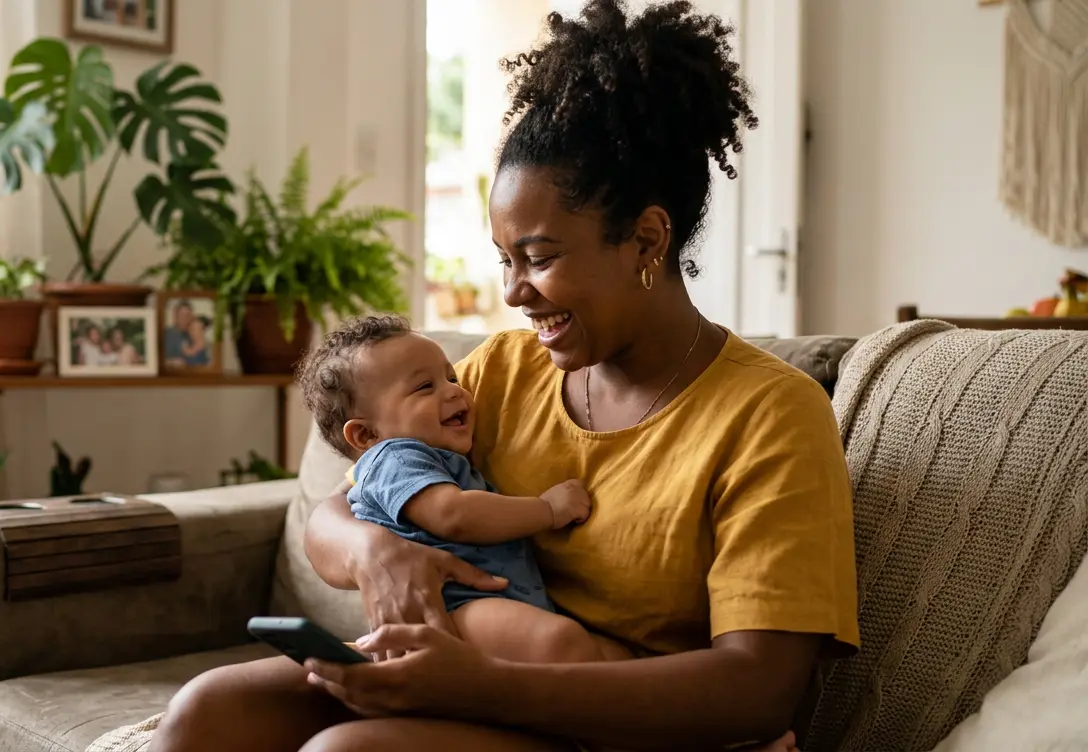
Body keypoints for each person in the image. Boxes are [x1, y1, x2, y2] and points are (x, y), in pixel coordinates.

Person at [151, 2, 858, 750]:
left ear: (647, 239)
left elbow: (759, 689)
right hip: (474, 675)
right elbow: (340, 508)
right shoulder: (498, 373)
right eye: (505, 260)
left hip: (628, 723)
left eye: (541, 258)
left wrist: (479, 684)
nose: (515, 292)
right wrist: (375, 553)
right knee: (205, 711)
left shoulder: (769, 412)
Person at [293, 314, 628, 666]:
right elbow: (452, 514)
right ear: (366, 435)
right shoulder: (394, 458)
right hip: (454, 607)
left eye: (451, 378)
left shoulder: (429, 456)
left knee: (608, 655)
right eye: (425, 387)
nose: (455, 390)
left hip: (490, 603)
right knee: (560, 642)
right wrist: (548, 510)